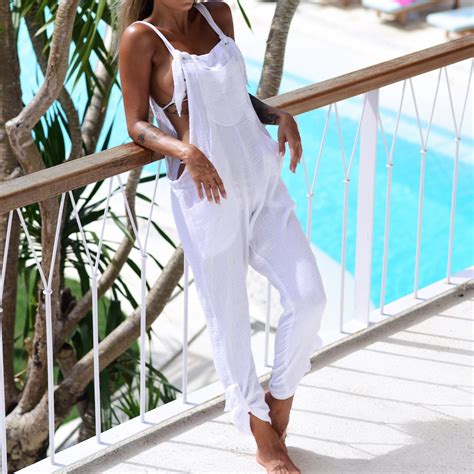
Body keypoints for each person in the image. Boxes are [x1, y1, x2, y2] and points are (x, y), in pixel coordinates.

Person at [117, 1, 327, 472]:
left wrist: (277, 115)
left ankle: (279, 401)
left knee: (309, 297)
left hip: (261, 181)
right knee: (228, 314)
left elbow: (234, 96)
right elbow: (136, 123)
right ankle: (259, 429)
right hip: (209, 194)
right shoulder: (142, 38)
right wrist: (185, 151)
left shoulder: (217, 13)